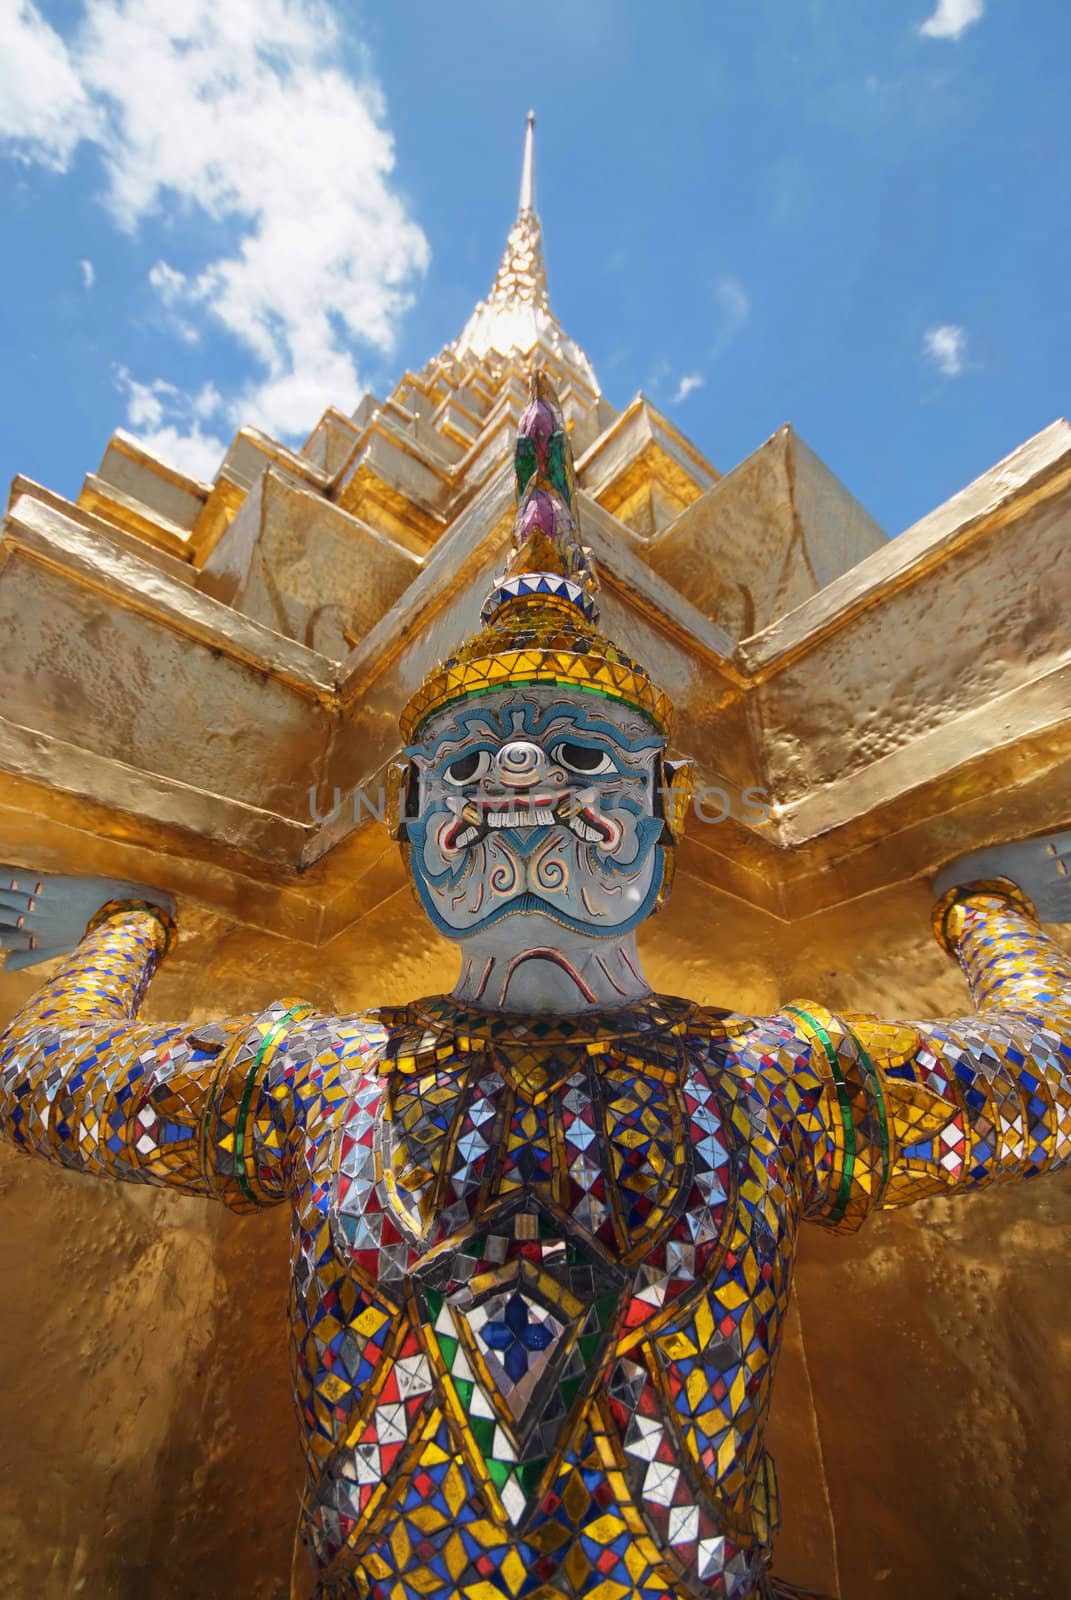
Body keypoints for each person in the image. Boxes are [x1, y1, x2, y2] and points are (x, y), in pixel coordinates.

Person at [2, 377, 1069, 1600]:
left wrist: (988, 901)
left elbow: (1051, 1075)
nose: (512, 771)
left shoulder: (775, 1077)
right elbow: (47, 1081)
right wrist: (119, 926)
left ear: (672, 816)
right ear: (404, 822)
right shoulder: (321, 1071)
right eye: (463, 756)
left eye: (577, 751)